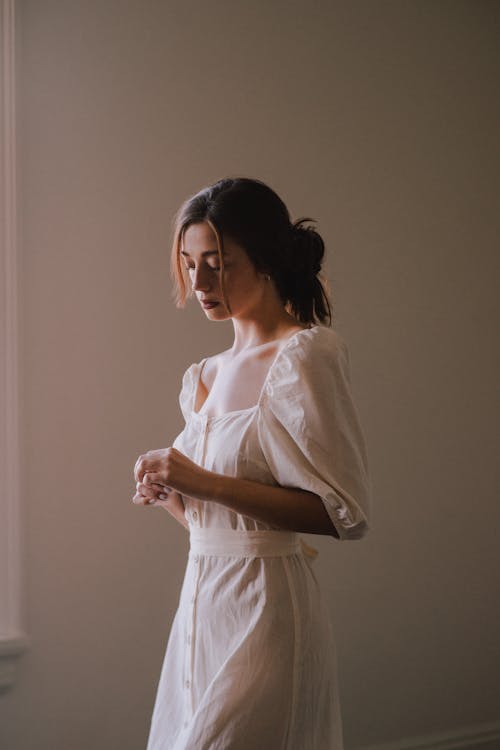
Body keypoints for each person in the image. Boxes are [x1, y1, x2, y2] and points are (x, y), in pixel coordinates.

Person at [133, 177, 371, 750]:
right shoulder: (203, 378)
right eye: (190, 265)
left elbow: (343, 514)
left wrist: (202, 480)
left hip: (267, 613)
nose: (200, 282)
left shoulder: (305, 355)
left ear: (263, 260)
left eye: (218, 263)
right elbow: (214, 526)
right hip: (201, 609)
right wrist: (173, 495)